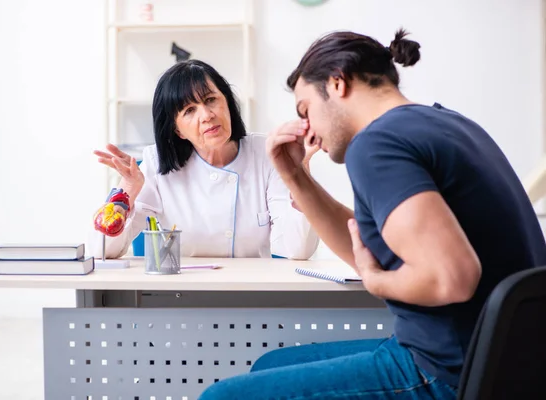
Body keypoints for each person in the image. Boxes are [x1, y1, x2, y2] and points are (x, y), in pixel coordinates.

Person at [198, 29, 546, 399]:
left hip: (446, 371)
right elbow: (368, 248)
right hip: (505, 362)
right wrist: (293, 175)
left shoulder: (378, 143)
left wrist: (375, 281)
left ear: (337, 83)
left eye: (306, 110)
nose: (308, 129)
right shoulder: (446, 124)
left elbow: (451, 278)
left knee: (221, 397)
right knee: (270, 366)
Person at [89, 60, 319, 260]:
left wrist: (301, 170)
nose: (207, 115)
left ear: (227, 102)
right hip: (183, 295)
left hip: (251, 293)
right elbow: (101, 250)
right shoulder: (157, 163)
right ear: (177, 130)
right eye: (189, 110)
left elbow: (298, 249)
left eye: (210, 100)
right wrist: (126, 191)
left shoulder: (267, 153)